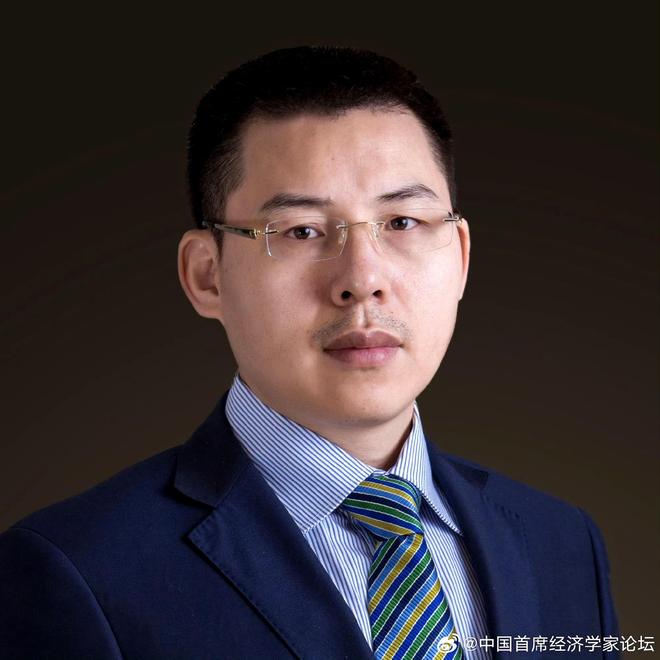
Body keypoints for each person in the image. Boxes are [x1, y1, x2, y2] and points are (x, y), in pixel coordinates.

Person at [0, 46, 619, 660]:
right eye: (301, 231)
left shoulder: (562, 542)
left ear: (459, 256)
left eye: (401, 222)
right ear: (207, 274)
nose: (362, 279)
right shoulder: (77, 571)